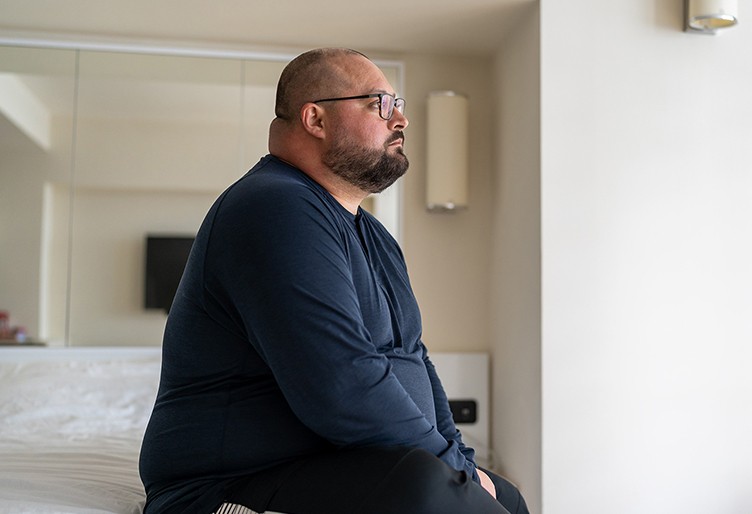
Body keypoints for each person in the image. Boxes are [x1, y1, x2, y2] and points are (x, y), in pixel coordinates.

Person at [139, 47, 528, 514]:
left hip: (330, 467)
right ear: (315, 119)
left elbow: (414, 358)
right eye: (379, 104)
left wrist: (463, 465)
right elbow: (340, 383)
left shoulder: (374, 235)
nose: (401, 119)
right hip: (230, 485)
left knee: (504, 494)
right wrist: (449, 472)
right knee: (424, 487)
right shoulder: (272, 207)